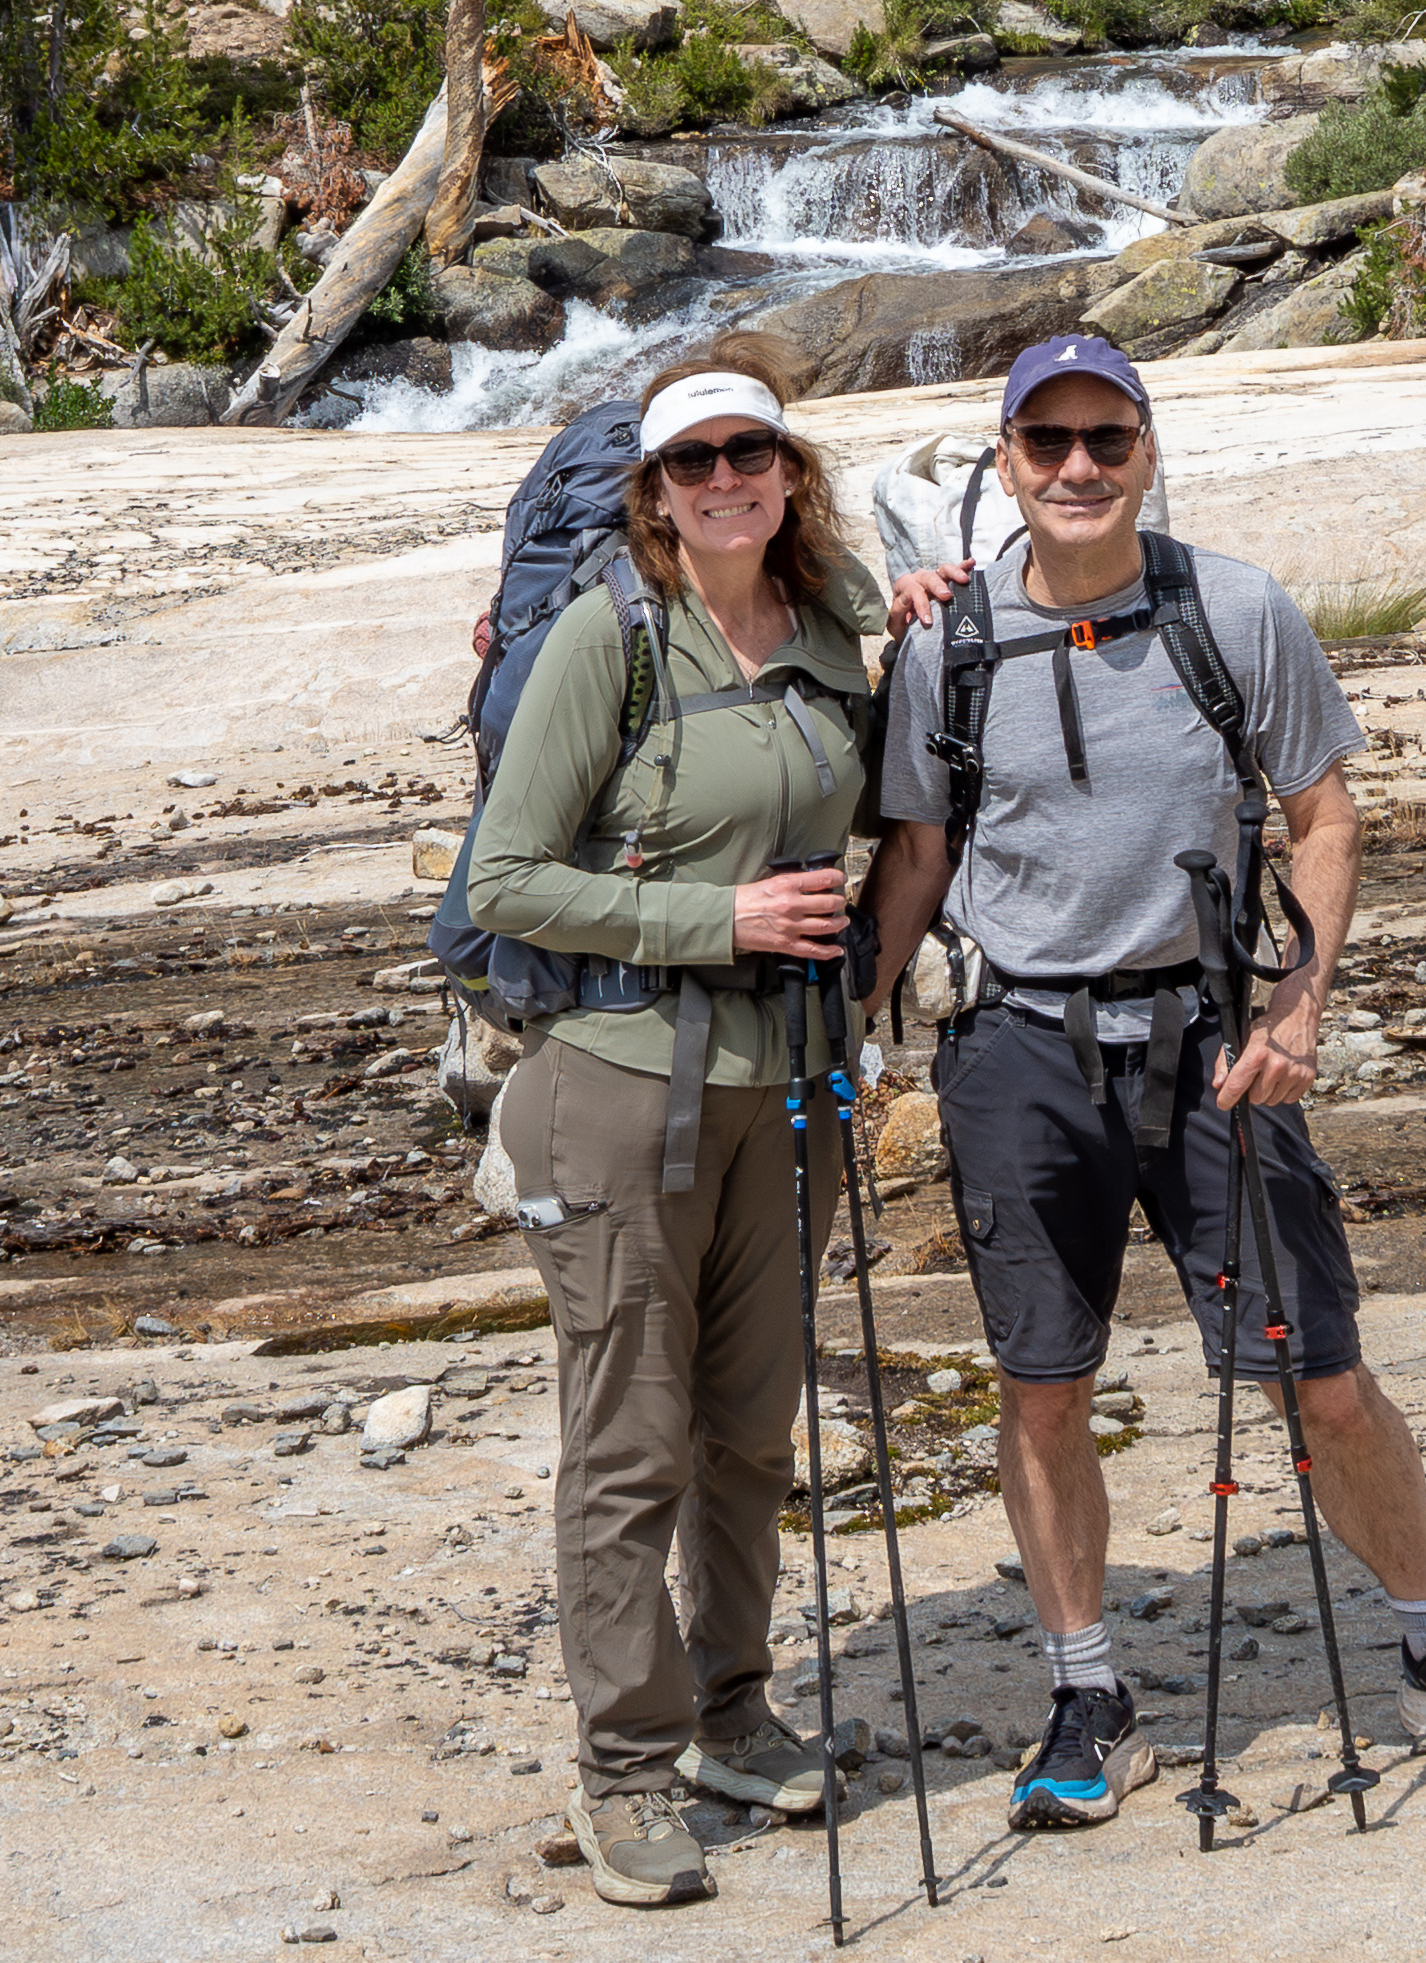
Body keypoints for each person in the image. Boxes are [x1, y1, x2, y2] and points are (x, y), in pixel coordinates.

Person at [859, 332, 1426, 1833]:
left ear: (1146, 447)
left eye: (1104, 440)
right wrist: (854, 1019)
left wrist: (1303, 1009)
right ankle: (1086, 1690)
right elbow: (919, 859)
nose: (1076, 467)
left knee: (1318, 1367)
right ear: (1001, 461)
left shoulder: (1234, 609)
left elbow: (1322, 812)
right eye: (1045, 441)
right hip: (1015, 1051)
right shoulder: (945, 642)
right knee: (1042, 1389)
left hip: (1216, 1049)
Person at [467, 341, 945, 1909]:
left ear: (790, 473)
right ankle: (625, 1769)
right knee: (630, 1441)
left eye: (752, 452)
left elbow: (896, 801)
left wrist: (936, 622)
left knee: (749, 1424)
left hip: (790, 1088)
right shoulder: (608, 641)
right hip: (612, 1084)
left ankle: (735, 1714)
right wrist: (714, 911)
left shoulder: (825, 630)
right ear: (655, 495)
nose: (726, 478)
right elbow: (506, 883)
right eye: (695, 462)